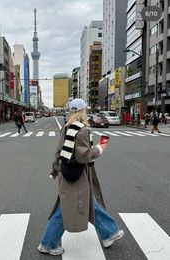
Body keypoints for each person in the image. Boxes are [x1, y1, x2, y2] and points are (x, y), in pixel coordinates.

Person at [38, 98, 124, 256]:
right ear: (83, 111)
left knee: (86, 202)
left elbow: (58, 151)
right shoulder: (82, 130)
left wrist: (55, 169)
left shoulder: (67, 126)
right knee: (68, 207)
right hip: (76, 176)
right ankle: (47, 243)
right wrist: (100, 148)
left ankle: (108, 233)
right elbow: (84, 156)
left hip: (68, 173)